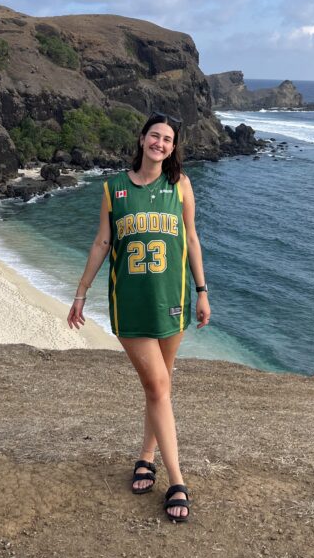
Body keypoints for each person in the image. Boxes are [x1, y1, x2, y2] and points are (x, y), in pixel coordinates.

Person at [67, 112, 210, 523]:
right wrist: (81, 292)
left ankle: (146, 456)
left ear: (173, 147)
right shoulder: (114, 187)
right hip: (130, 303)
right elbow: (101, 242)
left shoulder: (179, 185)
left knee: (158, 389)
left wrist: (202, 292)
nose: (160, 144)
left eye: (167, 139)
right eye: (154, 136)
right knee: (158, 386)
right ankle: (177, 481)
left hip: (173, 300)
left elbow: (192, 239)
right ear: (141, 138)